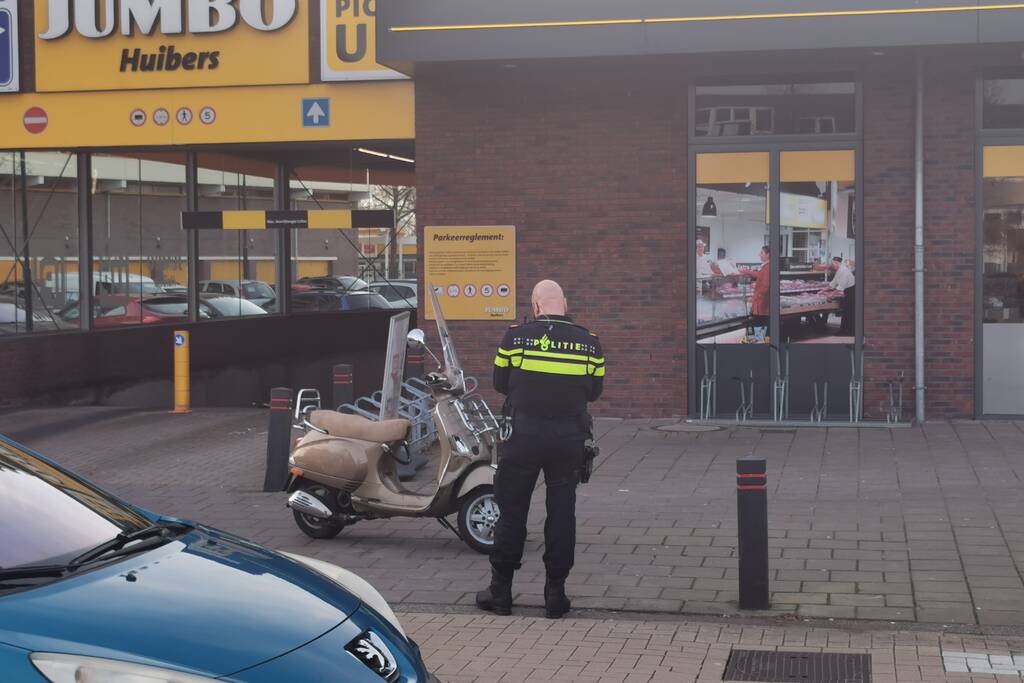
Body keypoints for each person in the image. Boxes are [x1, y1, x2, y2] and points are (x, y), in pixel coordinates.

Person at [476, 280, 605, 619]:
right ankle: (555, 594)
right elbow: (594, 392)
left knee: (512, 511)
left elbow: (500, 383)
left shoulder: (515, 338)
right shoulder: (590, 343)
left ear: (535, 305)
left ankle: (501, 592)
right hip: (567, 437)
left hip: (523, 435)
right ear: (565, 302)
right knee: (562, 513)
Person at [738, 246, 771, 339]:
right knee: (762, 329)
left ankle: (760, 344)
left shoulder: (768, 267)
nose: (759, 255)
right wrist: (747, 271)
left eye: (761, 253)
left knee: (760, 329)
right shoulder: (766, 266)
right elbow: (759, 275)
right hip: (761, 305)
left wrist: (754, 298)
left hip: (761, 306)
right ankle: (761, 342)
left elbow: (765, 287)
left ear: (768, 254)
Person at [824, 256, 856, 335]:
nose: (832, 265)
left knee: (848, 313)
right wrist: (824, 290)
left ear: (837, 263)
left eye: (833, 263)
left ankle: (848, 332)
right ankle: (844, 331)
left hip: (852, 292)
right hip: (848, 292)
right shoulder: (839, 270)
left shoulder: (844, 271)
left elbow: (840, 288)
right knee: (846, 313)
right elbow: (834, 282)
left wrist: (831, 295)